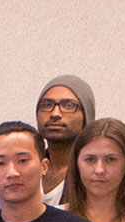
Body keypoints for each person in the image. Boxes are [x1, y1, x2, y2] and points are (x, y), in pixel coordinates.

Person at [33, 75, 95, 207]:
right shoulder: (28, 168)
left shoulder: (94, 174)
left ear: (86, 115)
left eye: (68, 105)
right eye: (47, 105)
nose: (55, 113)